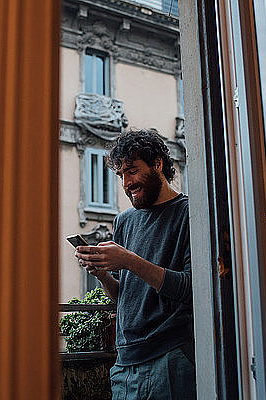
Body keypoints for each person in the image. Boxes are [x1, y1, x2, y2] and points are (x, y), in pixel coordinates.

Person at [75, 129, 195, 399]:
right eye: (121, 175)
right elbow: (123, 298)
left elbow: (189, 289)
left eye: (132, 171)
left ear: (158, 165)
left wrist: (129, 261)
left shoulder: (188, 212)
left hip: (170, 357)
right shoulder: (124, 221)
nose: (126, 182)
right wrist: (104, 275)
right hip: (124, 363)